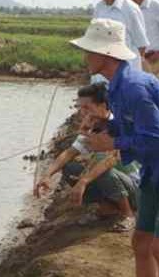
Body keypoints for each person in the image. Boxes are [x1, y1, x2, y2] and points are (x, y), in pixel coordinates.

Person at [70, 18, 159, 277]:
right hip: (158, 160)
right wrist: (103, 128)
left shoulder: (134, 87)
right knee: (141, 241)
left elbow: (158, 139)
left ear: (106, 54)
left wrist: (114, 142)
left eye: (90, 50)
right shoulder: (117, 88)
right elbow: (132, 129)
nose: (86, 55)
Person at [34, 83, 139, 232]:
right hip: (119, 181)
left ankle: (128, 214)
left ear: (103, 106)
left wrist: (83, 182)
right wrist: (47, 175)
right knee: (70, 168)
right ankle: (108, 206)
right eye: (80, 108)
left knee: (101, 167)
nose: (82, 113)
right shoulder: (94, 125)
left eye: (87, 108)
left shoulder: (118, 124)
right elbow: (69, 153)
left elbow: (110, 160)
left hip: (136, 186)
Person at [84, 0, 149, 74]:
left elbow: (141, 46)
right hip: (102, 74)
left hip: (125, 74)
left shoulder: (130, 9)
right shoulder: (99, 8)